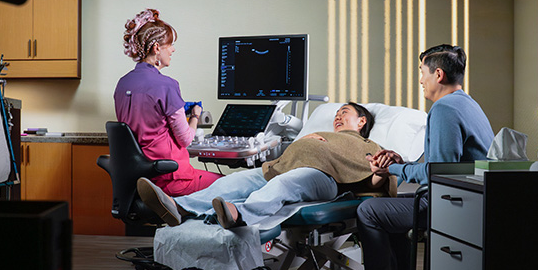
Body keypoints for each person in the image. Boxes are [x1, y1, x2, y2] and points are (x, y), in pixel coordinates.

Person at [329, 45, 493, 270]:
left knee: (369, 211)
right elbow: (442, 162)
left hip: (452, 203)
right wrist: (401, 161)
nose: (420, 80)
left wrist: (390, 169)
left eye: (422, 72)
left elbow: (438, 171)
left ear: (438, 74)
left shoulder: (444, 108)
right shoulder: (468, 104)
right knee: (386, 207)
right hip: (469, 199)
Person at [138, 103, 394, 229]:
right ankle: (179, 207)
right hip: (285, 166)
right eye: (336, 112)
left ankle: (239, 215)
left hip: (324, 179)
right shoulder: (320, 134)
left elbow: (372, 182)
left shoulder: (369, 145)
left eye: (344, 112)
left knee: (285, 184)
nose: (338, 115)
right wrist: (305, 141)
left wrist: (380, 173)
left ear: (361, 121)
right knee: (236, 181)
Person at [115, 8, 221, 197]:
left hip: (141, 180)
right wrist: (195, 115)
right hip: (172, 179)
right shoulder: (167, 85)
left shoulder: (123, 84)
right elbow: (186, 139)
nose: (173, 49)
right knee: (229, 184)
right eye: (170, 44)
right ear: (157, 48)